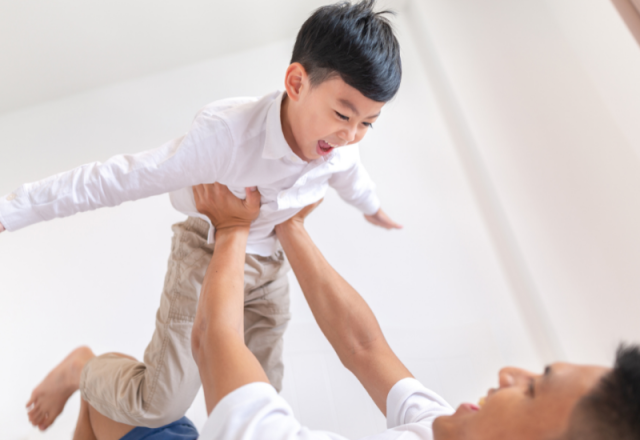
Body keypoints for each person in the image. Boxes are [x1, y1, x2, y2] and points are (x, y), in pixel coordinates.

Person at [5, 0, 404, 430]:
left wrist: (372, 208)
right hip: (208, 251)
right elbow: (119, 178)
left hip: (271, 265)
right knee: (159, 405)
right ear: (296, 83)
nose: (351, 135)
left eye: (367, 123)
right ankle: (81, 368)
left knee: (263, 402)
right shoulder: (225, 136)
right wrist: (13, 211)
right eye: (343, 115)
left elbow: (353, 178)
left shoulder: (341, 150)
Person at [32, 183, 640, 440]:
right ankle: (84, 373)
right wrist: (290, 227)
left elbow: (214, 344)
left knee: (134, 404)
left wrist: (233, 230)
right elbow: (365, 348)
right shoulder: (447, 429)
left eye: (533, 390)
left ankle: (83, 369)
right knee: (124, 404)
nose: (512, 373)